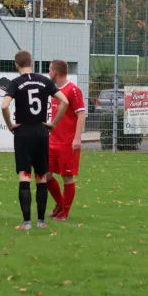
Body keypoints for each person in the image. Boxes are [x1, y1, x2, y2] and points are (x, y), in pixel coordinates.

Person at [1, 51, 69, 230]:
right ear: (31, 62)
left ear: (16, 65)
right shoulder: (44, 81)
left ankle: (26, 223)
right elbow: (64, 102)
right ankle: (41, 222)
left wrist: (10, 124)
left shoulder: (16, 83)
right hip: (41, 131)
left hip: (23, 131)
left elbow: (4, 105)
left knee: (24, 175)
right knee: (41, 177)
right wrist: (53, 124)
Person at [45, 60, 86, 221]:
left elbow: (81, 114)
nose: (48, 73)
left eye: (49, 70)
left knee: (67, 177)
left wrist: (77, 138)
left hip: (68, 143)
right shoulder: (54, 91)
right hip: (52, 142)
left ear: (55, 71)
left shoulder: (73, 90)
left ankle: (65, 213)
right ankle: (60, 204)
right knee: (45, 175)